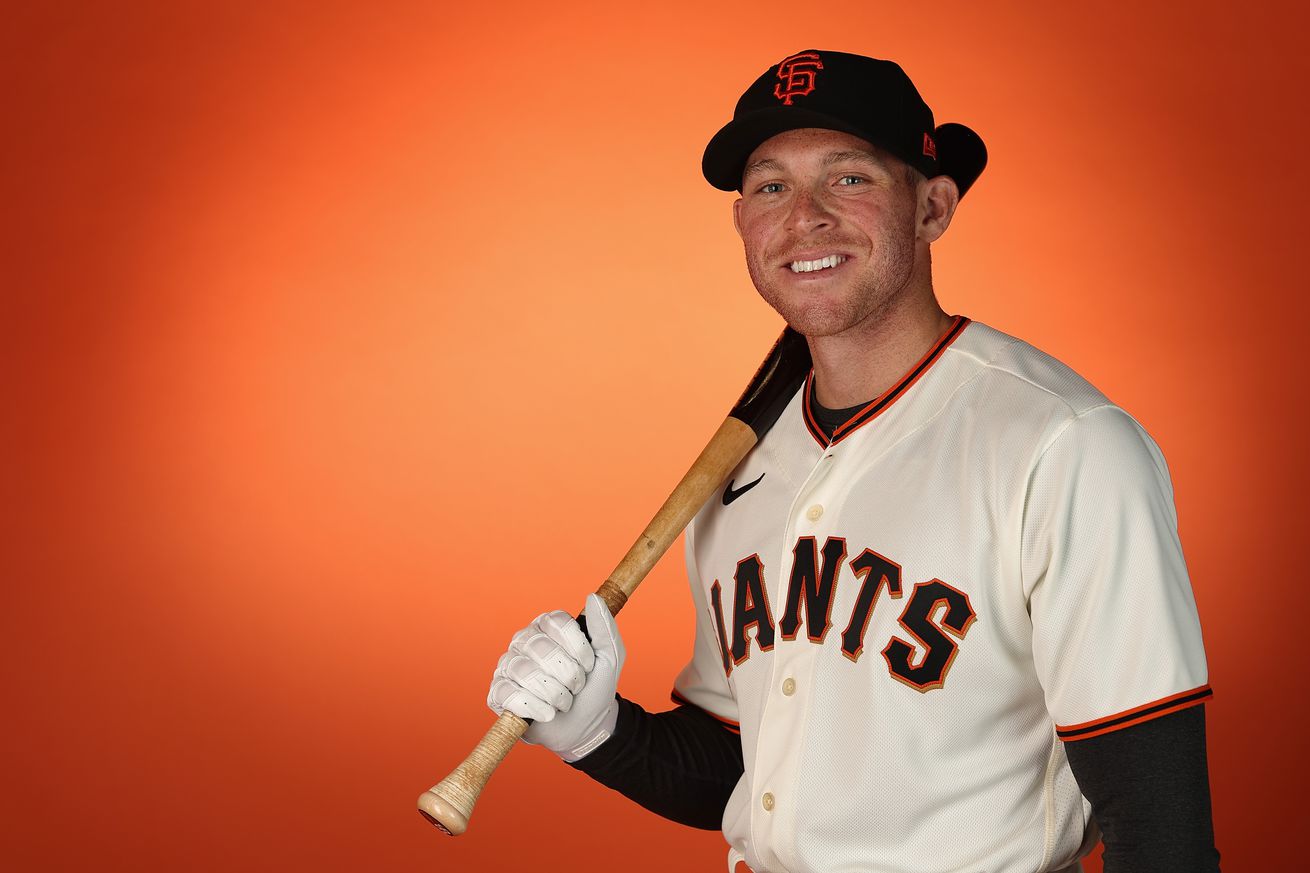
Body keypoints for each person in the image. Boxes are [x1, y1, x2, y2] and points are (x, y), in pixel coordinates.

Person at [486, 49, 1220, 873]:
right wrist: (600, 733)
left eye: (850, 179)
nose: (805, 218)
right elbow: (749, 770)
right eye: (771, 187)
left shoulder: (1066, 445)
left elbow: (1161, 827)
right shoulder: (738, 471)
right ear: (742, 225)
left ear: (933, 206)